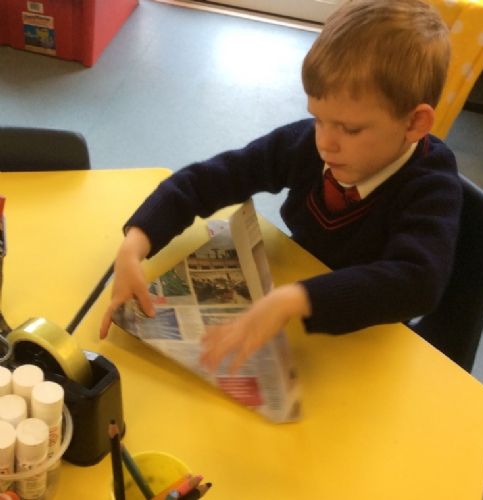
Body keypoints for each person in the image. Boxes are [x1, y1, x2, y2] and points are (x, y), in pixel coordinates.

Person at [100, 0, 462, 374]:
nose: (326, 143)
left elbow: (417, 280)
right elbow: (215, 176)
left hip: (367, 338)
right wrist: (136, 243)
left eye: (350, 129)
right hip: (295, 308)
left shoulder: (431, 183)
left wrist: (297, 298)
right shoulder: (309, 144)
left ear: (415, 123)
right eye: (318, 118)